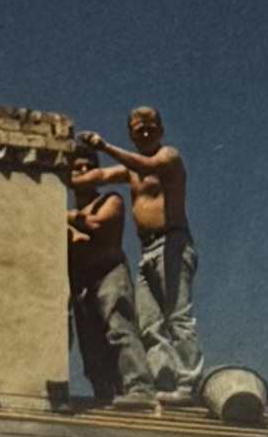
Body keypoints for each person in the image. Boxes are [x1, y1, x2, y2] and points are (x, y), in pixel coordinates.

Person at [76, 107, 203, 396]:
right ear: (131, 135)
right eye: (138, 129)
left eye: (150, 127)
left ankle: (189, 383)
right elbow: (100, 175)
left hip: (173, 244)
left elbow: (147, 166)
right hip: (147, 251)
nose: (145, 133)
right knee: (148, 323)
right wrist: (61, 169)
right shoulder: (129, 170)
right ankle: (165, 380)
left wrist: (103, 146)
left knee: (178, 317)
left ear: (161, 129)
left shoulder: (168, 157)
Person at [66, 141, 154, 403]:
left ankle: (140, 388)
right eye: (77, 167)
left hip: (109, 274)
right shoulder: (67, 215)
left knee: (119, 329)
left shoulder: (111, 200)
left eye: (89, 166)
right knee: (91, 345)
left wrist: (67, 219)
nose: (83, 170)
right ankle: (105, 395)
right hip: (83, 283)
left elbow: (95, 224)